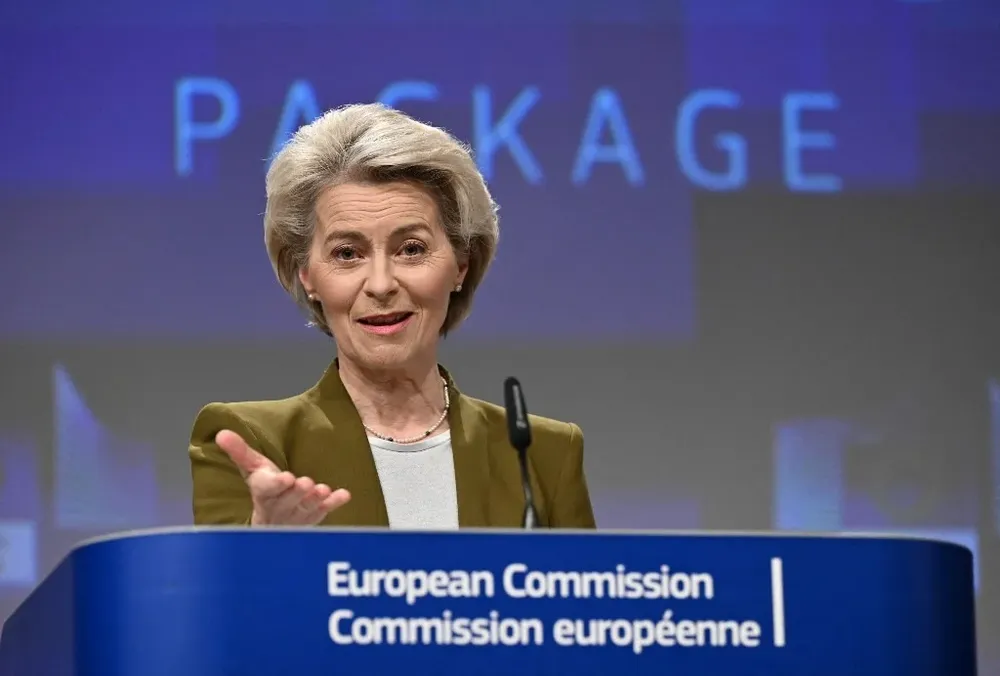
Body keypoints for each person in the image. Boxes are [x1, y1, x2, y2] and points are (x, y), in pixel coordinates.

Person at [188, 103, 596, 529]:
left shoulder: (542, 456)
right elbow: (217, 593)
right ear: (307, 276)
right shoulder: (255, 444)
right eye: (347, 254)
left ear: (461, 265)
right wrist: (262, 543)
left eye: (411, 249)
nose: (381, 284)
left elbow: (590, 595)